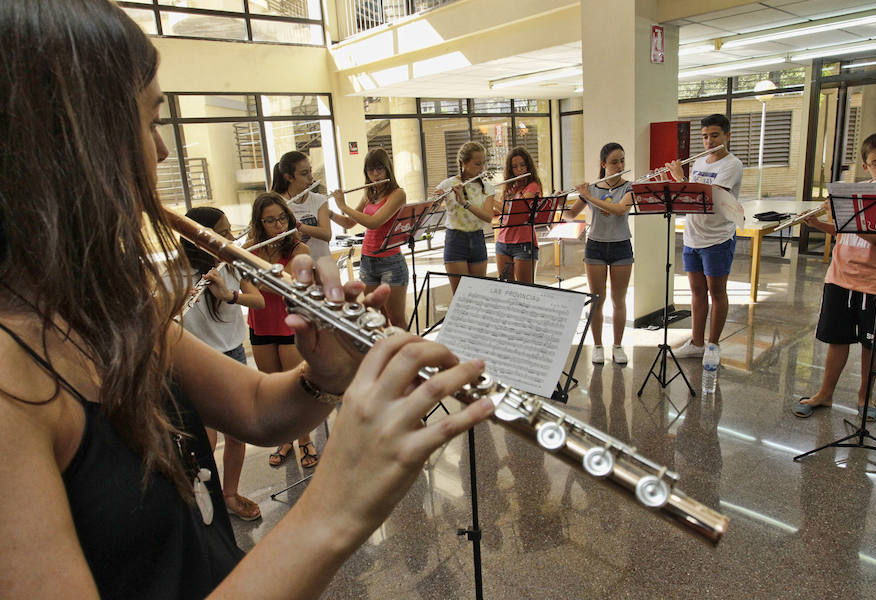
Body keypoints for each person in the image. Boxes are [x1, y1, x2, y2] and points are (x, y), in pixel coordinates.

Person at [0, 2, 493, 597]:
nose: (159, 153)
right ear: (67, 145)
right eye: (152, 120)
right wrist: (337, 507)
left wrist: (324, 374)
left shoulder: (106, 309)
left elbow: (259, 409)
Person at [791, 131, 876, 422]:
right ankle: (825, 394)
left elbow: (875, 238)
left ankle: (866, 396)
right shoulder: (858, 192)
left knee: (872, 344)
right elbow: (846, 231)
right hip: (840, 277)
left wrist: (839, 215)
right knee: (837, 339)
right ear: (866, 166)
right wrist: (818, 223)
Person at [180, 207, 266, 521]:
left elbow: (258, 300)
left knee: (237, 432)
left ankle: (229, 493)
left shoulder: (231, 264)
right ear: (200, 238)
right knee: (206, 437)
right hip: (200, 361)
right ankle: (206, 494)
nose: (231, 237)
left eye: (230, 230)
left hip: (234, 356)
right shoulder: (175, 275)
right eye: (224, 232)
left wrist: (229, 296)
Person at [244, 192, 319, 468]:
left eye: (282, 218)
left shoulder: (300, 249)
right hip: (261, 325)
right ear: (259, 223)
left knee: (295, 388)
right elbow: (247, 285)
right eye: (270, 220)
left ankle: (304, 440)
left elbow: (289, 286)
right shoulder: (252, 248)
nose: (278, 225)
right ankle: (285, 438)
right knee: (273, 388)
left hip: (289, 324)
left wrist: (253, 277)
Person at [665, 114, 744, 359]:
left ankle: (712, 345)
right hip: (693, 236)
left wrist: (680, 180)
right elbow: (688, 198)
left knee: (717, 292)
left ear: (727, 136)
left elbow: (711, 197)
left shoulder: (732, 164)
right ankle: (696, 343)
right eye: (705, 136)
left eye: (714, 136)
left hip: (718, 237)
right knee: (697, 292)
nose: (708, 141)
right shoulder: (700, 163)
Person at [563, 143, 634, 366]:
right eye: (614, 162)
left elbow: (621, 209)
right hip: (595, 246)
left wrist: (589, 197)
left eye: (622, 160)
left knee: (619, 300)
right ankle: (598, 346)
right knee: (597, 301)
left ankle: (618, 346)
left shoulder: (629, 187)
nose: (620, 165)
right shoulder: (591, 188)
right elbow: (570, 215)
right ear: (603, 164)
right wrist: (557, 201)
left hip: (621, 245)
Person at [333, 147, 409, 327]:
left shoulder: (398, 194)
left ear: (387, 169)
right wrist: (326, 212)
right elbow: (348, 223)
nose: (375, 174)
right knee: (375, 316)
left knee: (396, 319)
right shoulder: (369, 194)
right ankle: (385, 352)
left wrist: (343, 206)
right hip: (368, 261)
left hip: (390, 261)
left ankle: (405, 352)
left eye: (379, 169)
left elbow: (374, 222)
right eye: (370, 170)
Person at [436, 142, 496, 293]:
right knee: (460, 295)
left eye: (483, 163)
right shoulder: (448, 184)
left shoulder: (487, 187)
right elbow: (432, 208)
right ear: (464, 163)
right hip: (455, 240)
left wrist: (465, 203)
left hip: (477, 239)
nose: (481, 168)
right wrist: (435, 201)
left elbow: (488, 217)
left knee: (477, 294)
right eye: (477, 164)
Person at [271, 150, 333, 260]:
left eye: (310, 171)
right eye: (304, 173)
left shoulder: (319, 199)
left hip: (323, 263)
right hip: (296, 266)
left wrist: (298, 226)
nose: (311, 177)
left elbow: (326, 234)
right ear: (289, 177)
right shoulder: (277, 204)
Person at [495, 147, 542, 284]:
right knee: (506, 288)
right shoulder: (512, 188)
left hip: (523, 243)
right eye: (515, 167)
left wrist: (491, 199)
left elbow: (513, 210)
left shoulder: (533, 186)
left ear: (528, 166)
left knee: (524, 290)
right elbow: (501, 213)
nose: (519, 170)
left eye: (522, 165)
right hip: (503, 242)